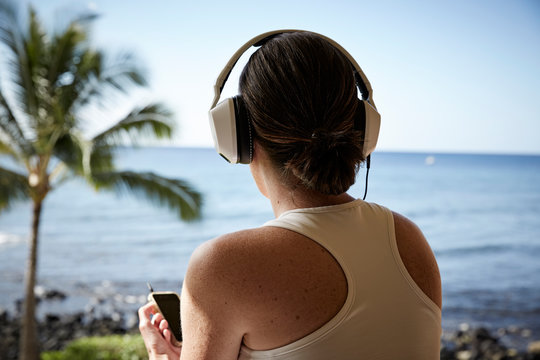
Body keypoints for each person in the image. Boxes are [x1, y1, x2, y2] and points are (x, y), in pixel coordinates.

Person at [138, 30, 442, 360]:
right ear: (362, 131)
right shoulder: (410, 241)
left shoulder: (222, 266)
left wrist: (163, 357)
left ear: (237, 136)